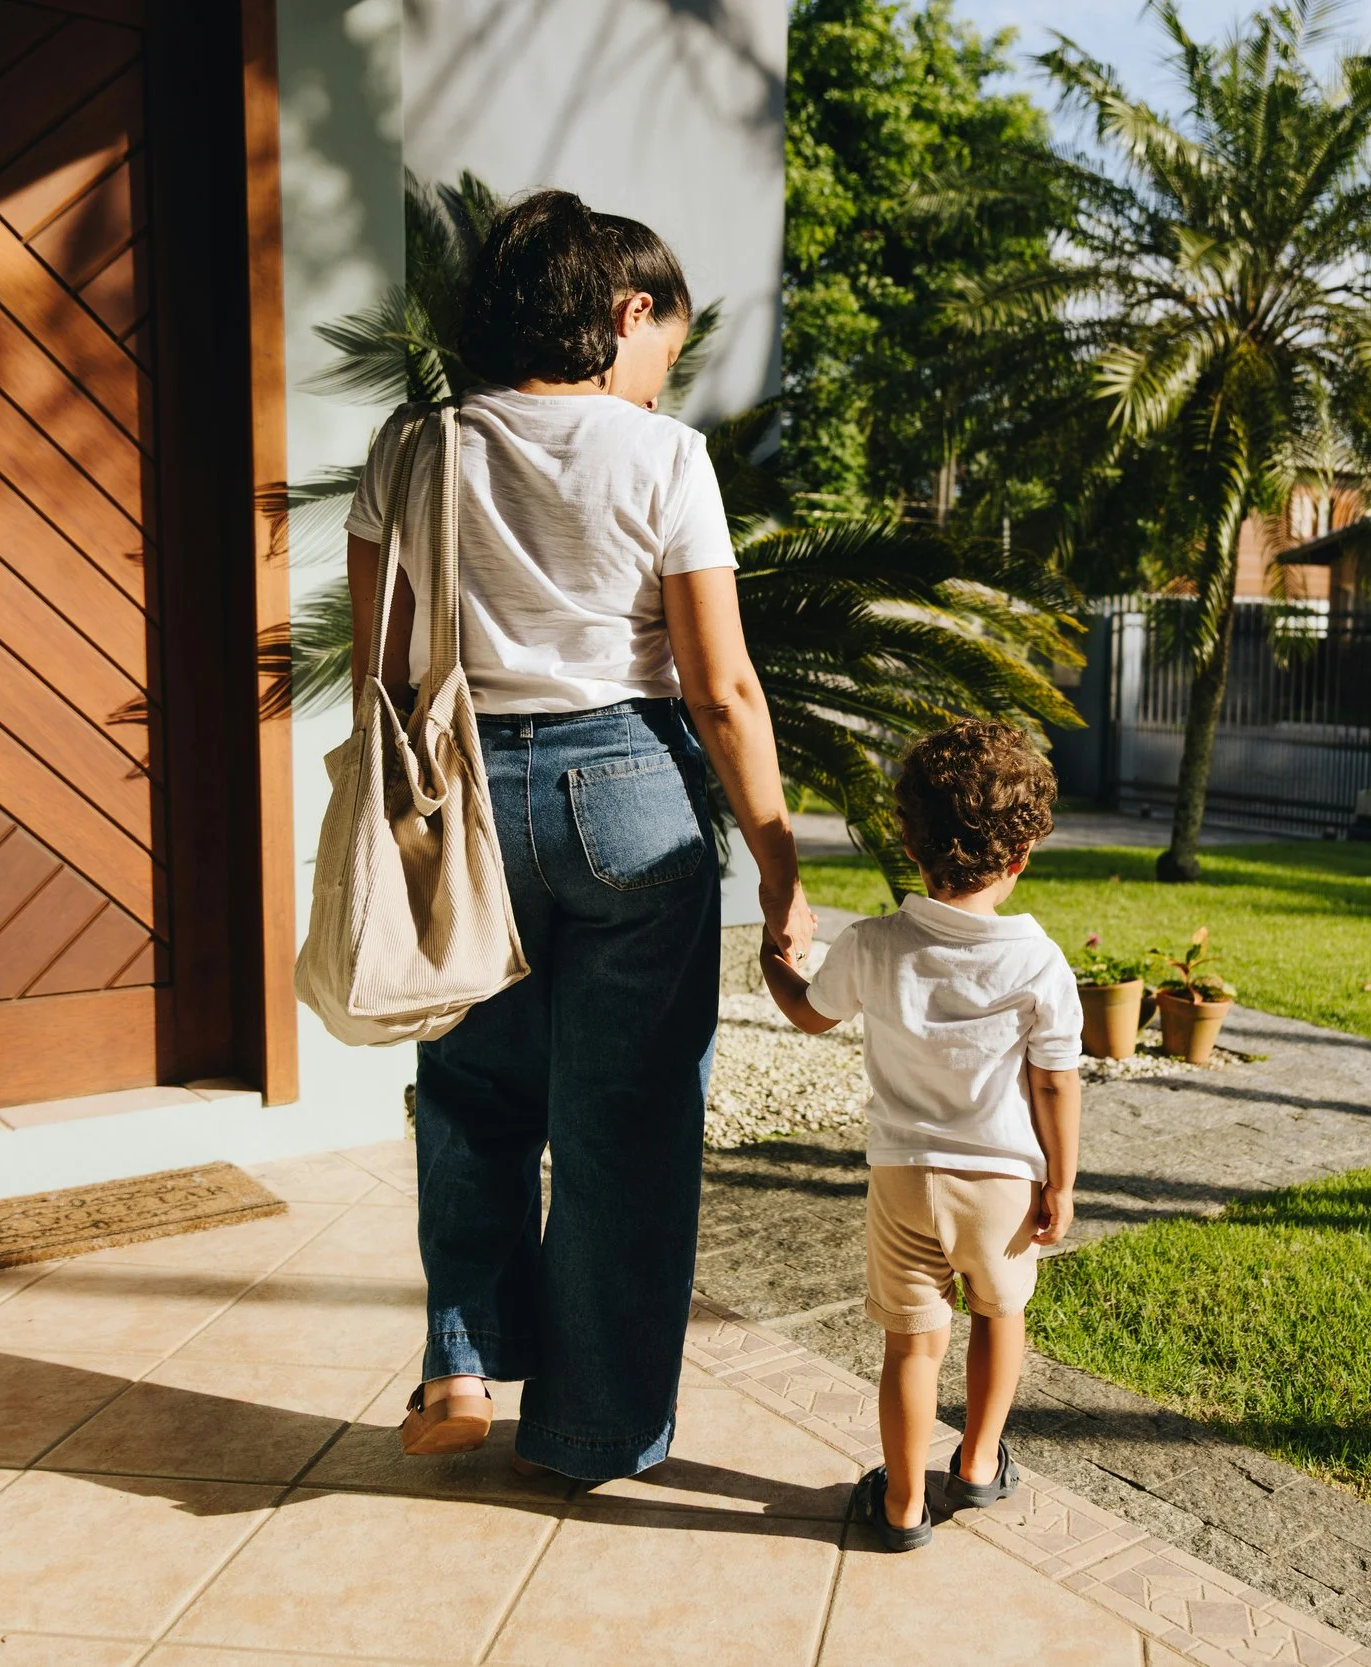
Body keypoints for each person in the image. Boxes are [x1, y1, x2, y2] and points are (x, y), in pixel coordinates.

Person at [342, 190, 816, 1481]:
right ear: (625, 313)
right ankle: (591, 1429)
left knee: (473, 1088)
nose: (667, 363)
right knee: (628, 1122)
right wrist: (778, 857)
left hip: (466, 799)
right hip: (630, 798)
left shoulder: (413, 443)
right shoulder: (664, 457)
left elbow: (381, 671)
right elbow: (720, 687)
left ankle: (458, 1347)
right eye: (669, 333)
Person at [759, 721, 1084, 1549]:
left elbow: (807, 1012)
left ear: (911, 845)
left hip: (904, 1181)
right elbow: (1053, 1080)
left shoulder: (873, 944)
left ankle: (902, 1507)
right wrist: (1062, 1181)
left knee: (913, 1342)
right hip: (1003, 1185)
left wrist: (777, 953)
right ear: (1020, 857)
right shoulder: (1041, 961)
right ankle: (976, 1465)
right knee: (999, 1315)